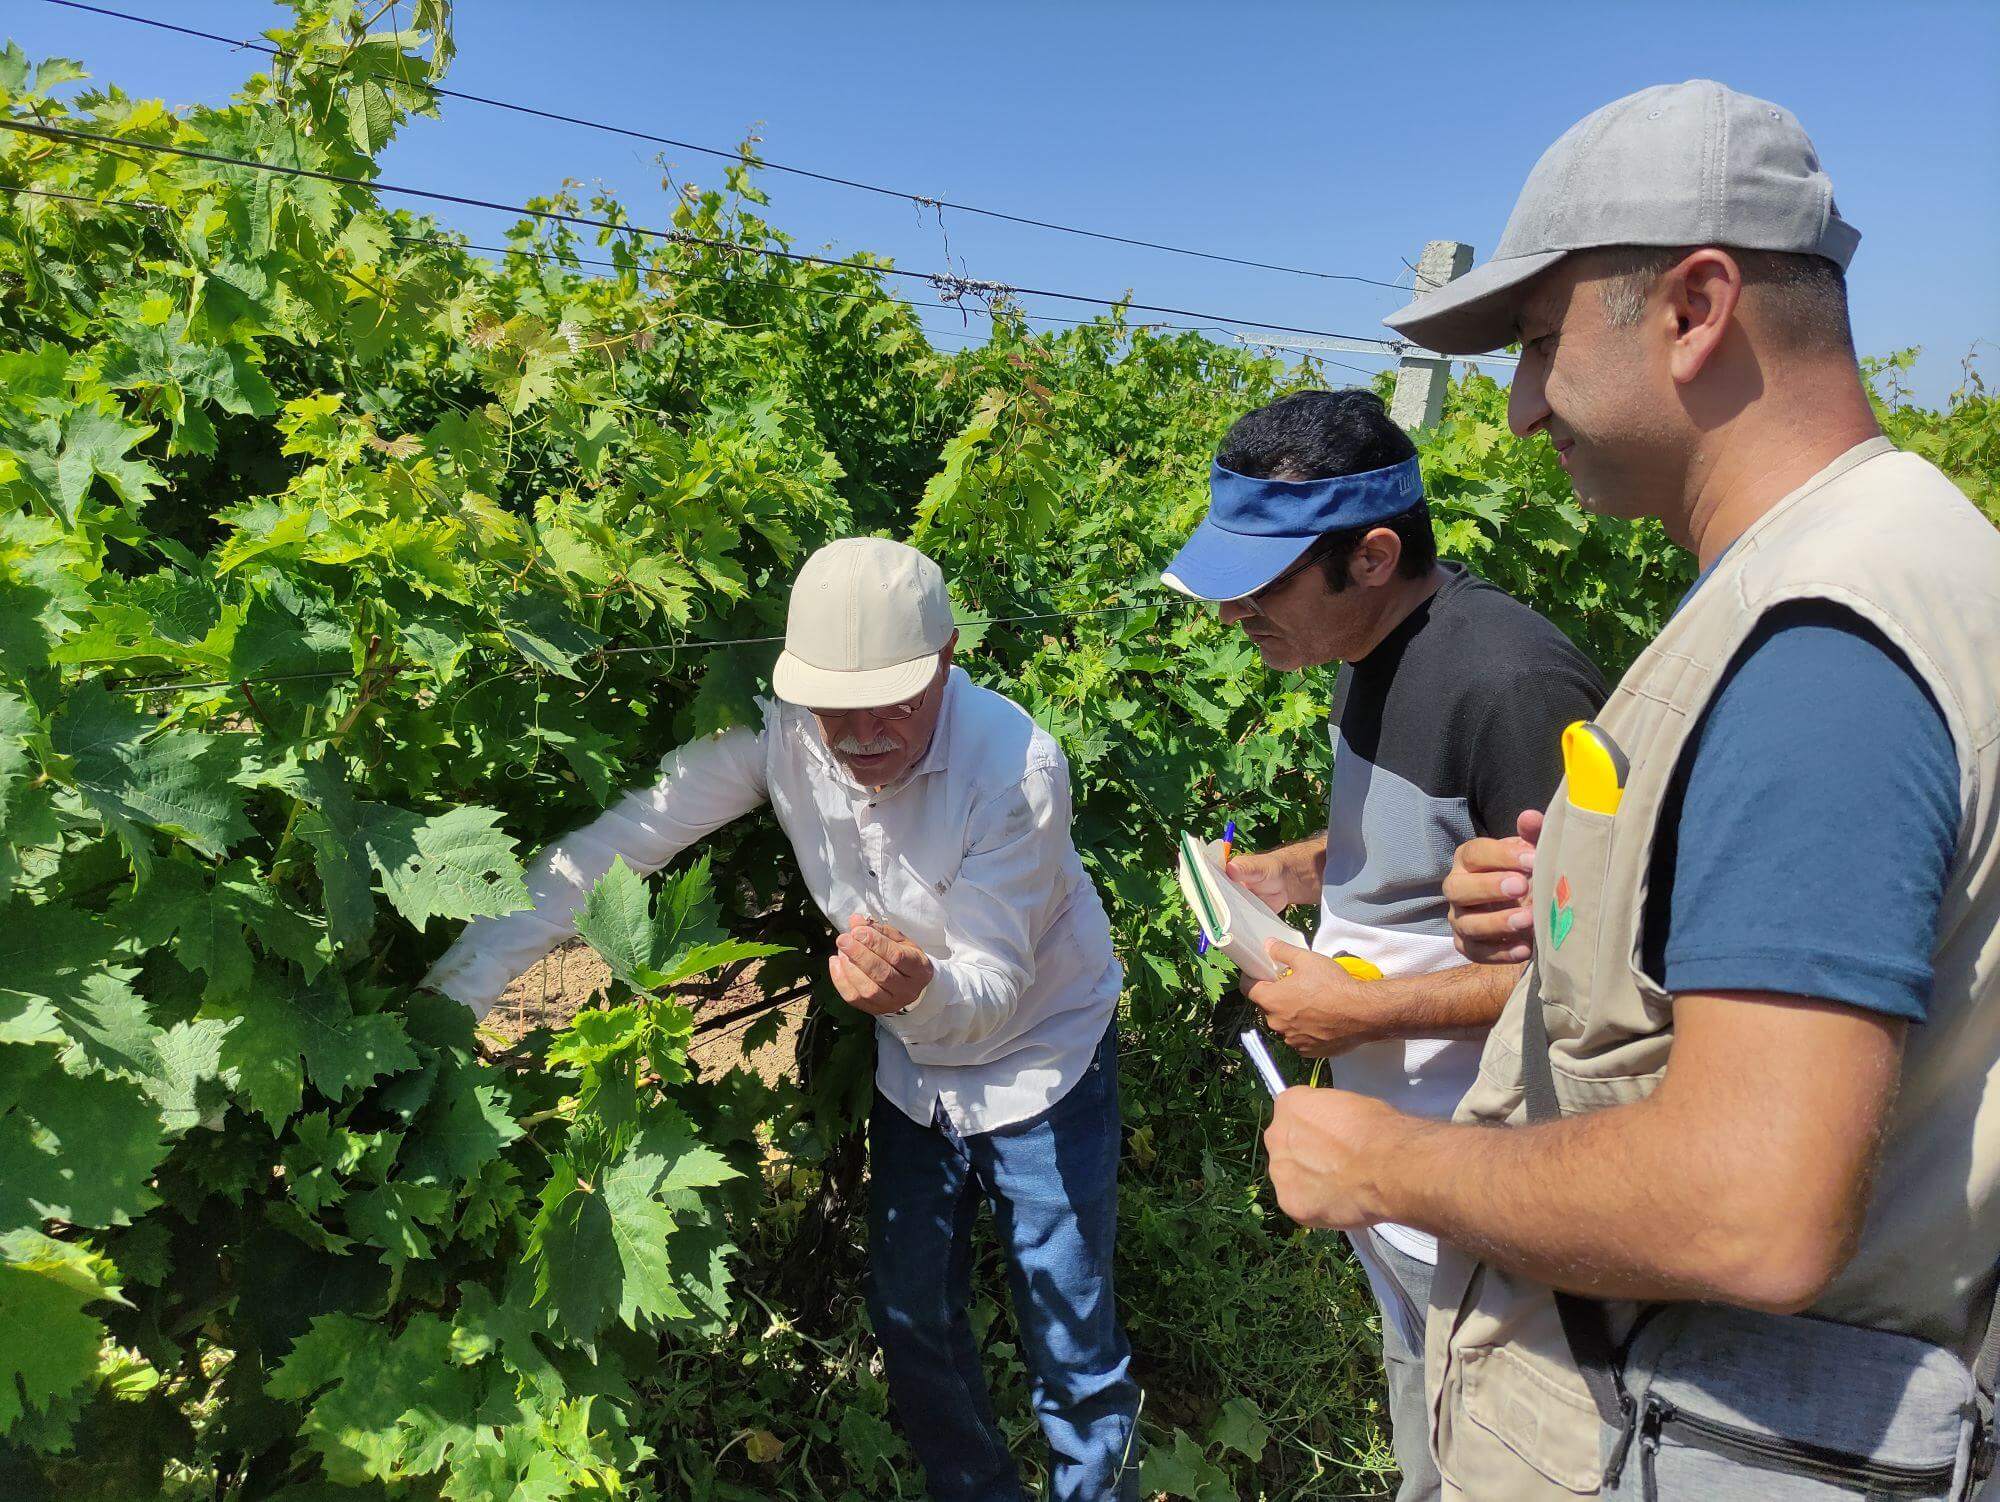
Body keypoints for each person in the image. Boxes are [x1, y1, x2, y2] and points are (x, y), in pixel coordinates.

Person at [1260, 81, 2000, 1500]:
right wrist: (1584, 904)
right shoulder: (1901, 560)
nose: (1520, 408)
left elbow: (1749, 1204)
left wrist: (1390, 1165)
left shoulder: (1819, 648)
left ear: (1695, 306)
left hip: (1704, 1436)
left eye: (1541, 342)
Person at [424, 537, 1141, 1502]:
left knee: (1071, 1339)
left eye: (895, 701)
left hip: (1043, 1058)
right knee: (912, 1318)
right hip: (915, 1073)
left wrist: (917, 990)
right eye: (836, 706)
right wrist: (456, 992)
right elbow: (613, 846)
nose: (863, 733)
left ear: (948, 657)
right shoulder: (784, 733)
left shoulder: (1016, 770)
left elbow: (995, 988)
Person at [1159, 388, 1604, 1501]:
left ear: (1369, 556)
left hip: (1479, 1183)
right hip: (1397, 1175)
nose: (1234, 614)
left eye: (1261, 585)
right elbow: (1427, 840)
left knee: (1489, 1444)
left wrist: (1368, 1013)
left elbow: (1594, 971)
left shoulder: (1511, 687)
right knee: (1423, 1403)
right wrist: (1294, 872)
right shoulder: (1368, 645)